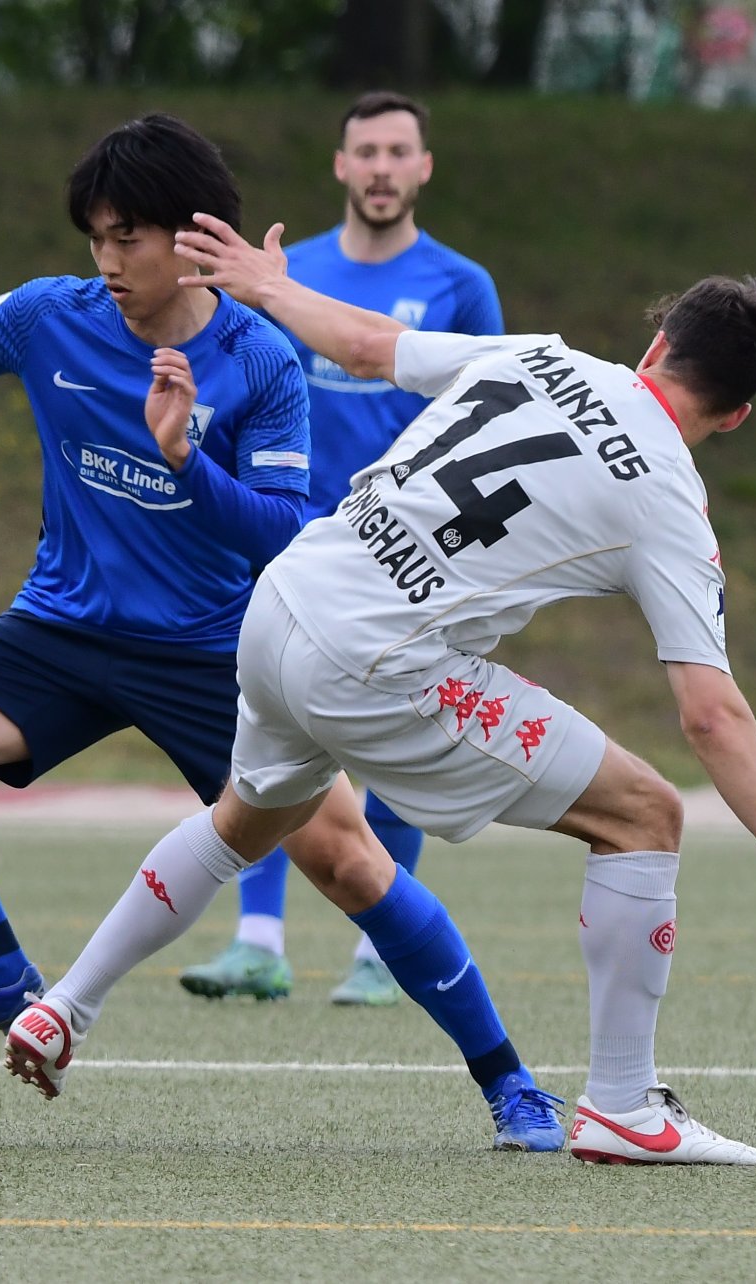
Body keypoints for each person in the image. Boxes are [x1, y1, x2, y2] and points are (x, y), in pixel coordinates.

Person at [6, 220, 756, 1164]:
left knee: (244, 823)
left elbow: (365, 346)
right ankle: (625, 1107)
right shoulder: (669, 496)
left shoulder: (543, 357)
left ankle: (66, 1005)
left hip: (287, 601)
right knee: (645, 815)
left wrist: (269, 286)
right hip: (378, 661)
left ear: (655, 345)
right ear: (737, 416)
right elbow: (710, 712)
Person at [0, 119, 566, 1152]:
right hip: (60, 631)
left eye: (129, 240)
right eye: (96, 237)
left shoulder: (258, 360)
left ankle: (510, 1083)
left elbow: (285, 533)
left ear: (195, 240)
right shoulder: (51, 317)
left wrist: (189, 461)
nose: (106, 263)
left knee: (355, 867)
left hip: (215, 654)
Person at [181, 91, 505, 1008]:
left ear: (423, 168)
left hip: (409, 556)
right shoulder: (294, 274)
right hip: (290, 543)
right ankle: (257, 941)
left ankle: (378, 950)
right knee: (268, 729)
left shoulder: (461, 286)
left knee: (398, 742)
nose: (381, 168)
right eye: (366, 151)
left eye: (399, 151)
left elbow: (487, 418)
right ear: (340, 164)